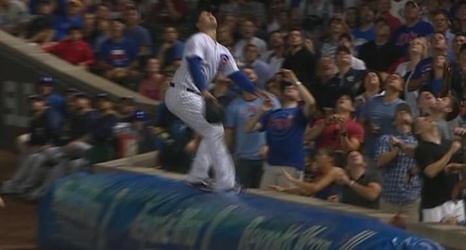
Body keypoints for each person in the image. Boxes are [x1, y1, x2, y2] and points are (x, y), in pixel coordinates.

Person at [164, 11, 265, 192]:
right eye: (204, 14)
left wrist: (254, 90)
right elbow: (195, 63)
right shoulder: (198, 39)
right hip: (181, 92)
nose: (209, 14)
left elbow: (235, 75)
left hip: (192, 94)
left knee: (212, 131)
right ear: (198, 25)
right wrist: (204, 89)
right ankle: (224, 181)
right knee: (215, 129)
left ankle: (198, 176)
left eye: (211, 13)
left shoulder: (223, 51)